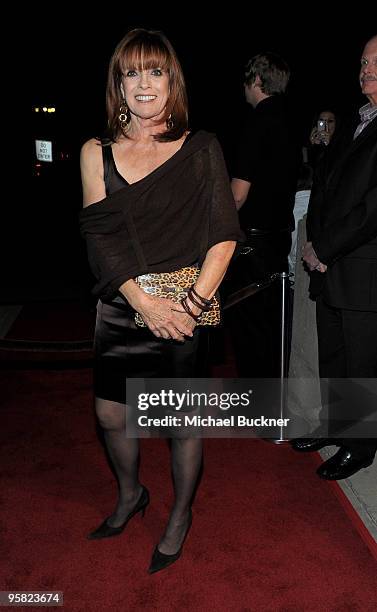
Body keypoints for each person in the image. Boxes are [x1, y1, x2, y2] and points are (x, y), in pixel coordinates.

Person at [79, 28, 242, 573]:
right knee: (109, 413)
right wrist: (142, 302)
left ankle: (181, 513)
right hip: (122, 302)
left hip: (188, 301)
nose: (143, 83)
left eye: (155, 71)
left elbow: (223, 234)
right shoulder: (94, 153)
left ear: (172, 80)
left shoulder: (201, 148)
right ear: (117, 84)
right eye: (131, 72)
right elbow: (100, 238)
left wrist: (190, 305)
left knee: (182, 422)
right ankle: (130, 494)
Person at [292, 35, 377, 480]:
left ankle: (360, 446)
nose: (366, 69)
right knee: (335, 356)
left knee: (362, 363)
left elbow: (372, 208)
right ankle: (335, 427)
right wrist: (315, 244)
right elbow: (328, 188)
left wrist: (324, 246)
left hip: (364, 267)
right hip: (329, 263)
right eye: (363, 61)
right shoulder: (354, 120)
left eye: (376, 62)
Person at [228, 52, 299, 377]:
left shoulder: (257, 122)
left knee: (250, 325)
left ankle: (256, 404)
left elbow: (238, 195)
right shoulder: (290, 121)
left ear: (257, 80)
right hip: (279, 237)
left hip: (253, 243)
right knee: (274, 323)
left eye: (246, 80)